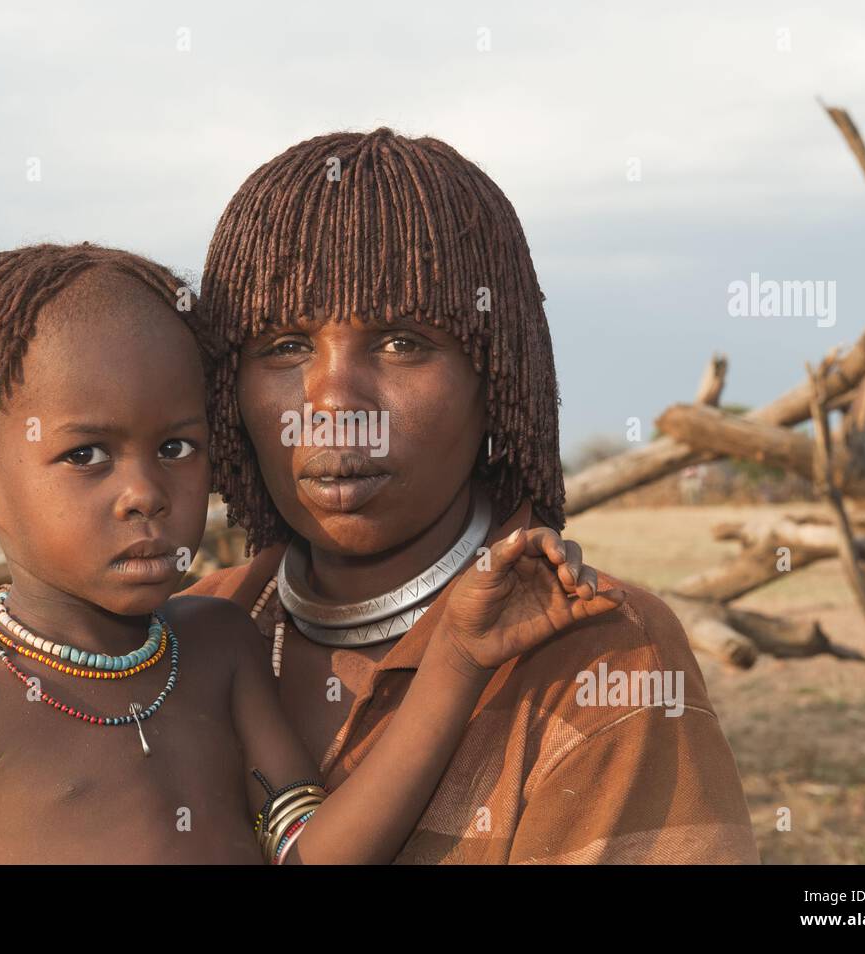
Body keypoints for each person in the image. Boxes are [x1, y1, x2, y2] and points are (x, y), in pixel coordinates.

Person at [0, 241, 622, 864]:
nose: (145, 493)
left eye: (175, 447)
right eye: (87, 455)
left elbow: (316, 855)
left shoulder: (217, 644)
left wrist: (456, 656)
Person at [183, 128, 761, 863]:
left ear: (496, 379)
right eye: (283, 346)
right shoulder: (182, 636)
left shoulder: (599, 658)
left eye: (402, 342)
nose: (332, 401)